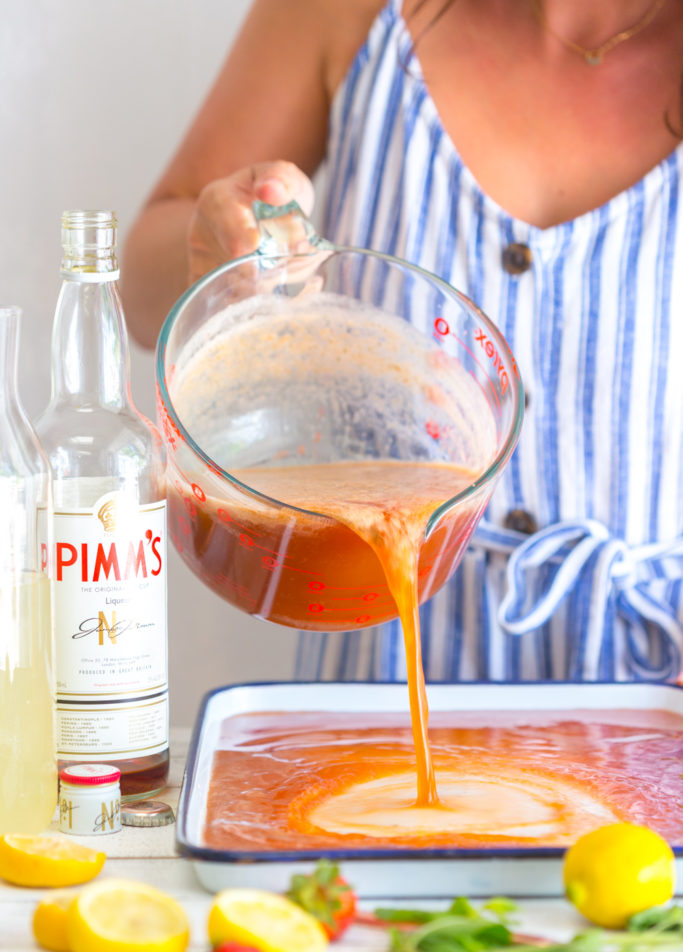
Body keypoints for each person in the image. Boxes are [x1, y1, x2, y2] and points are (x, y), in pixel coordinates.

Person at [121, 0, 683, 683]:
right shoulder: (342, 13)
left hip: (651, 704)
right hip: (372, 677)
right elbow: (141, 299)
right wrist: (215, 259)